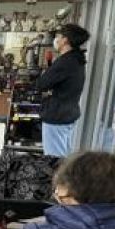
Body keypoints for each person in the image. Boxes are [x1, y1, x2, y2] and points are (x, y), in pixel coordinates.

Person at [37, 24, 90, 157]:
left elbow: (41, 84)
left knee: (54, 158)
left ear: (65, 40)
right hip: (67, 114)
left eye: (58, 36)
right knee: (63, 155)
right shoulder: (76, 59)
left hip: (57, 117)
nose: (56, 40)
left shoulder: (66, 62)